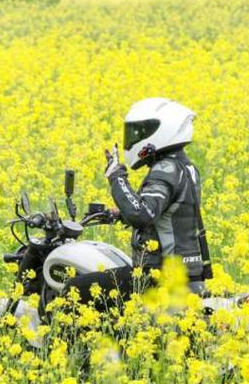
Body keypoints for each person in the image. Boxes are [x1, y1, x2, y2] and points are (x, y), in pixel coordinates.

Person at [63, 97, 212, 309]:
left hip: (158, 275)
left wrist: (116, 176)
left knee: (73, 289)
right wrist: (118, 214)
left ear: (162, 132)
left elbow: (142, 214)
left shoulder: (165, 169)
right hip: (185, 272)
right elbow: (170, 211)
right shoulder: (184, 167)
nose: (134, 138)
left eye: (140, 132)